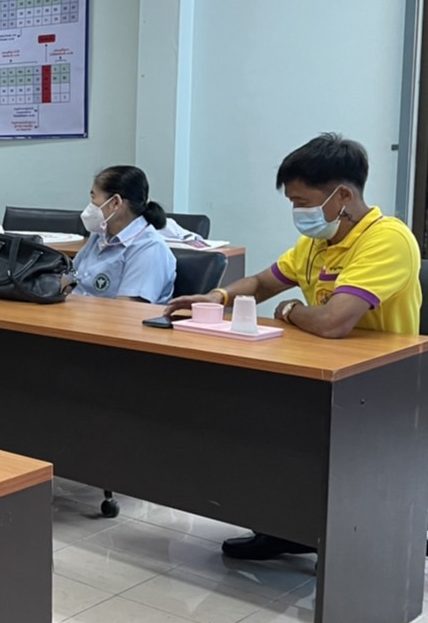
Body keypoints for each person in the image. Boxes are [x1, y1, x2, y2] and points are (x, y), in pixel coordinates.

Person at [166, 133, 422, 561]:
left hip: (376, 384)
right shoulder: (317, 243)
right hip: (321, 369)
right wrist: (217, 297)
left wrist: (290, 310)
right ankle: (286, 525)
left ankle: (354, 541)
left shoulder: (387, 239)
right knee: (255, 419)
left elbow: (334, 322)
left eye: (302, 202)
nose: (298, 213)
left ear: (342, 196)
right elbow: (262, 282)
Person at [70, 165, 176, 303]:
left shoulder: (149, 248)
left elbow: (127, 309)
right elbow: (68, 278)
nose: (90, 206)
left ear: (115, 202)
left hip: (109, 316)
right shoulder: (100, 235)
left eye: (93, 198)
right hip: (77, 312)